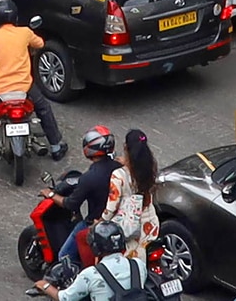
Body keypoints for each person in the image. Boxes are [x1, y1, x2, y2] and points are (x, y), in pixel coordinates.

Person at [0, 0, 66, 162]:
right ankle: (56, 146)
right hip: (24, 86)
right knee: (44, 109)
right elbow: (40, 44)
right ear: (15, 17)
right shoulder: (25, 32)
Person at [46, 126, 121, 267]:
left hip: (95, 223)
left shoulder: (88, 178)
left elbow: (70, 204)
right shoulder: (119, 167)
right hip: (117, 218)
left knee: (64, 255)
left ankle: (71, 280)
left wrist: (50, 194)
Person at [31, 221, 141, 301]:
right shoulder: (138, 265)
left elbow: (64, 298)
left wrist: (44, 285)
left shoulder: (90, 275)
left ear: (95, 247)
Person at [103, 129, 160, 262]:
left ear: (125, 148)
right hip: (151, 225)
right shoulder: (150, 166)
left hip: (131, 229)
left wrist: (100, 222)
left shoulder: (118, 175)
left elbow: (111, 207)